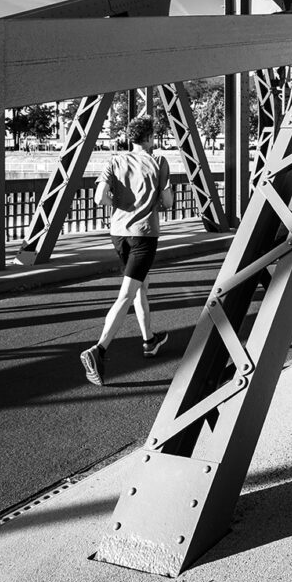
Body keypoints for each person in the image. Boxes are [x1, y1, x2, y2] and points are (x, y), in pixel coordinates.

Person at [80, 114, 174, 386]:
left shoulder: (114, 160)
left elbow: (99, 198)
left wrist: (123, 207)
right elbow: (166, 201)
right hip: (144, 235)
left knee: (140, 288)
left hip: (118, 233)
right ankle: (99, 349)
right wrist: (158, 198)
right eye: (154, 135)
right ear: (148, 137)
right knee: (126, 294)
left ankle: (149, 340)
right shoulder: (159, 161)